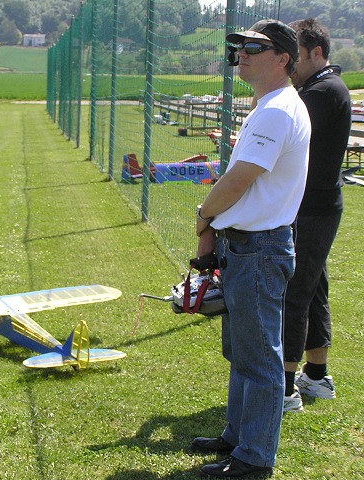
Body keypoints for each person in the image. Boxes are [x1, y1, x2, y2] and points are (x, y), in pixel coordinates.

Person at [190, 20, 311, 477]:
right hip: (248, 247)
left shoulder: (278, 110)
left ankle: (254, 459)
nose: (241, 52)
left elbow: (240, 179)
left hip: (259, 248)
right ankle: (237, 437)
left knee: (259, 358)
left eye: (254, 47)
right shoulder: (270, 106)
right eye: (238, 46)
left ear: (282, 58)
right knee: (244, 351)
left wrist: (204, 215)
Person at [281, 19, 351, 412]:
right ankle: (317, 376)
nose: (291, 64)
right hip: (317, 207)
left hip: (312, 209)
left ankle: (286, 387)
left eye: (297, 55)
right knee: (313, 288)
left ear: (317, 53)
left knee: (295, 291)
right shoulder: (321, 88)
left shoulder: (321, 91)